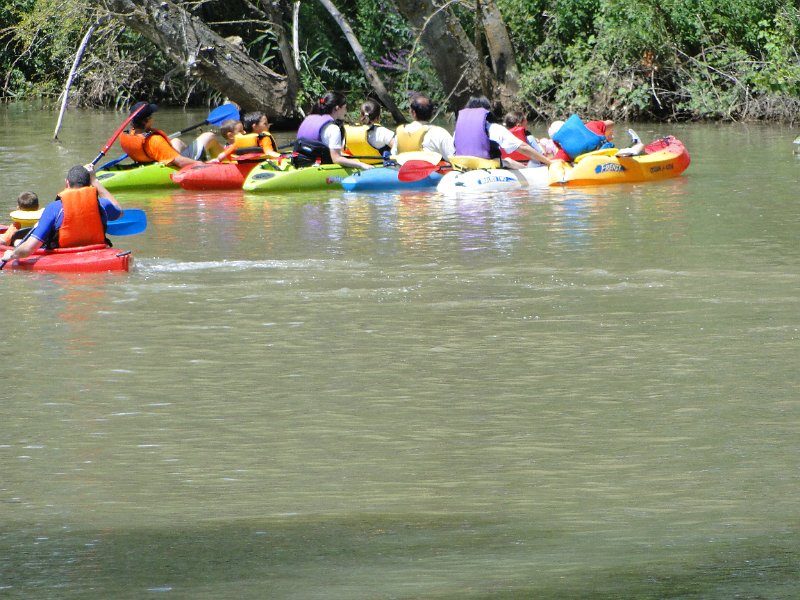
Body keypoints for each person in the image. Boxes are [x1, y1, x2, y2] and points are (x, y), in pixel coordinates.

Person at [1, 164, 123, 264]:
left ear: (67, 183)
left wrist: (11, 254)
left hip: (64, 255)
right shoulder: (102, 205)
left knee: (18, 242)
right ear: (89, 184)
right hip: (96, 251)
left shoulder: (54, 208)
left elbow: (29, 249)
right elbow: (119, 210)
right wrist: (95, 180)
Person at [452, 96, 551, 168]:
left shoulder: (457, 132)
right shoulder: (493, 128)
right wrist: (549, 162)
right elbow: (522, 147)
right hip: (487, 167)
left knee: (508, 161)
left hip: (464, 167)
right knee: (509, 162)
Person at [292, 92, 374, 170]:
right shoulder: (334, 128)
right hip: (316, 166)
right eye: (345, 108)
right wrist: (361, 165)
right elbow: (336, 159)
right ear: (337, 108)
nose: (345, 112)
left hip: (299, 160)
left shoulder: (309, 119)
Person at [118, 101, 203, 169]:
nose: (152, 119)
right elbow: (180, 162)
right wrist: (202, 164)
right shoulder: (155, 140)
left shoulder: (126, 135)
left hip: (148, 160)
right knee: (209, 136)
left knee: (176, 141)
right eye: (151, 117)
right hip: (170, 163)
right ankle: (210, 165)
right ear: (146, 121)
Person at [394, 94, 455, 160]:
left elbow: (394, 155)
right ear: (432, 113)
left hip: (404, 168)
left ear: (413, 113)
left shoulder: (401, 132)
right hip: (429, 169)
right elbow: (452, 158)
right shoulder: (440, 133)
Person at [213, 111, 280, 162]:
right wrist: (284, 156)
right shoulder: (264, 138)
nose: (268, 125)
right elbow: (269, 153)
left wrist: (216, 160)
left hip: (243, 165)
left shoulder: (241, 141)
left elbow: (222, 156)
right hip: (261, 165)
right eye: (265, 123)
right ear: (255, 126)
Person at [343, 99, 395, 165]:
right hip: (380, 167)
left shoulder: (348, 131)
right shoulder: (381, 132)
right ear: (378, 117)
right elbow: (398, 148)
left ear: (361, 115)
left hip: (358, 165)